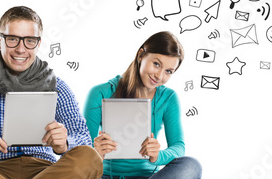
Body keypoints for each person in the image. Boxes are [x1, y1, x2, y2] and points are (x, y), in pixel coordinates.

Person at [0, 6, 102, 179]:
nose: (21, 49)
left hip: (46, 172)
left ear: (38, 43)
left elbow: (84, 139)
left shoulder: (58, 87)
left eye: (29, 40)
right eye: (13, 39)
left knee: (90, 157)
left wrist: (64, 144)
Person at [83, 31, 202, 179]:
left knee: (191, 166)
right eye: (156, 64)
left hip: (149, 177)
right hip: (107, 176)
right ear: (141, 55)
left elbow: (178, 147)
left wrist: (158, 155)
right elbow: (82, 148)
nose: (159, 76)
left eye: (168, 71)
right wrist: (96, 152)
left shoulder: (168, 98)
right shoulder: (100, 93)